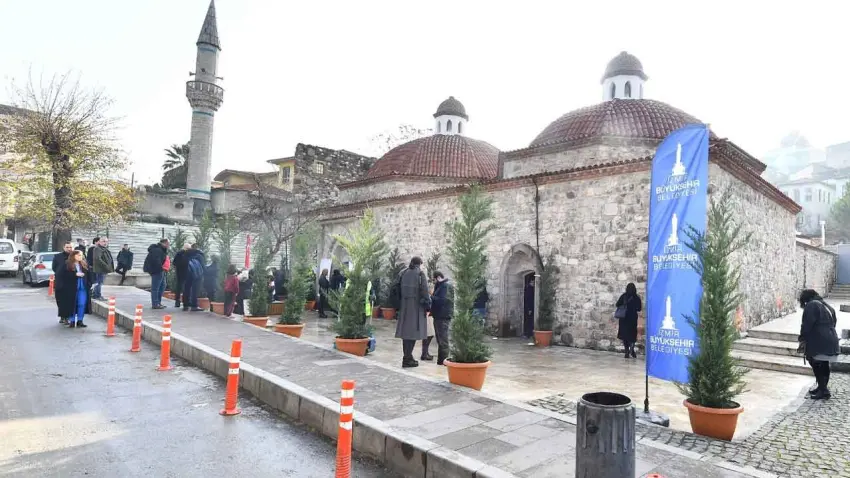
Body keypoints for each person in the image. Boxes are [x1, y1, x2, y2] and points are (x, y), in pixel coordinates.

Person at [798, 289, 840, 400]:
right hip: (831, 338)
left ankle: (824, 390)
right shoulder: (826, 305)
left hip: (819, 340)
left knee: (816, 363)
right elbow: (834, 321)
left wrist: (802, 338)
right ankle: (822, 387)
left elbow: (807, 324)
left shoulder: (812, 305)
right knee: (823, 364)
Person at [394, 257, 431, 368]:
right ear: (419, 264)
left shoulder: (403, 272)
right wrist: (428, 306)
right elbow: (425, 292)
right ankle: (407, 358)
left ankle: (407, 357)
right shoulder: (420, 274)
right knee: (413, 333)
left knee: (406, 334)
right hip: (416, 307)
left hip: (404, 306)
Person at [56, 250, 89, 328]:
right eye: (78, 255)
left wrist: (89, 284)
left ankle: (80, 320)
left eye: (81, 255)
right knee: (72, 304)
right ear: (73, 256)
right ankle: (72, 320)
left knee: (81, 304)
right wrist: (75, 274)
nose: (80, 257)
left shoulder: (83, 264)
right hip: (71, 288)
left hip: (82, 287)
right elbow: (62, 275)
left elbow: (89, 274)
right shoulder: (67, 264)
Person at [430, 271, 454, 365]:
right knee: (440, 339)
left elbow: (442, 301)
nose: (434, 282)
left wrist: (431, 296)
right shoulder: (441, 286)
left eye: (434, 279)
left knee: (443, 339)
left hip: (442, 316)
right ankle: (441, 361)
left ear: (438, 277)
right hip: (439, 315)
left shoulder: (445, 286)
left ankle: (444, 361)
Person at [616, 283, 642, 359]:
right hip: (632, 319)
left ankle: (627, 351)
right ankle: (632, 349)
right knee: (632, 335)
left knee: (625, 336)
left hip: (624, 318)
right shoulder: (636, 298)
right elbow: (639, 308)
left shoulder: (623, 296)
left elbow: (617, 304)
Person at [143, 238, 170, 309]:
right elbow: (156, 261)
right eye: (168, 244)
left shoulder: (161, 250)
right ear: (163, 243)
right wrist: (160, 269)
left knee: (163, 285)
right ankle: (155, 304)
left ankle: (158, 302)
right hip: (157, 270)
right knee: (155, 288)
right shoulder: (157, 250)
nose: (168, 245)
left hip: (161, 270)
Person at [52, 241, 74, 324]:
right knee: (60, 300)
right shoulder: (58, 257)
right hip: (60, 281)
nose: (69, 249)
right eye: (67, 247)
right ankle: (62, 316)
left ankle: (67, 316)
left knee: (69, 300)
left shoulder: (74, 256)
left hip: (71, 282)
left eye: (70, 247)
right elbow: (54, 268)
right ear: (64, 248)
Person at [183, 244, 206, 312]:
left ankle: (186, 305)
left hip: (187, 273)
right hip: (197, 274)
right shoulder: (199, 254)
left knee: (187, 289)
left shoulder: (186, 254)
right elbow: (203, 266)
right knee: (195, 290)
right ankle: (194, 306)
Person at [173, 244, 191, 308]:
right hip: (182, 272)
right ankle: (179, 301)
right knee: (181, 287)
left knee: (181, 287)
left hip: (183, 272)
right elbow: (175, 262)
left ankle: (181, 301)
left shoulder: (183, 254)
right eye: (188, 249)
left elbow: (174, 262)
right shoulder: (180, 254)